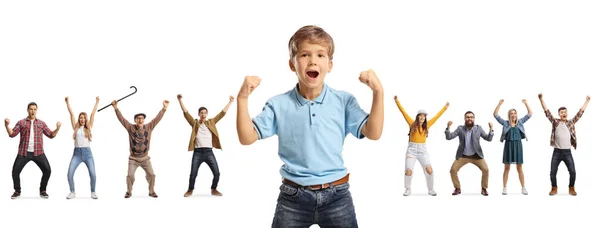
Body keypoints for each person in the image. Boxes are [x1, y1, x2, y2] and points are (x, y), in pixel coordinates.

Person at [236, 25, 384, 228]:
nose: (313, 60)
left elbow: (374, 133)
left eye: (320, 55)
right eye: (305, 54)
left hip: (337, 196)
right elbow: (247, 137)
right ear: (292, 64)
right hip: (293, 198)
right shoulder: (278, 104)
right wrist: (242, 98)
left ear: (330, 64)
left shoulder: (344, 101)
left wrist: (378, 92)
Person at [177, 94, 234, 197]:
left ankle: (213, 189)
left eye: (205, 113)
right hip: (197, 152)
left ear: (207, 114)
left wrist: (230, 102)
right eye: (201, 113)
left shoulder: (211, 122)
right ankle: (190, 189)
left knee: (217, 173)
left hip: (209, 152)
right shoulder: (194, 123)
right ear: (199, 114)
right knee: (193, 173)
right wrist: (180, 100)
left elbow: (222, 114)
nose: (203, 114)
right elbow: (186, 113)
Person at [112, 99, 169, 198]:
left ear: (144, 120)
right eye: (138, 118)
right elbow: (122, 119)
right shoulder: (130, 128)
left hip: (145, 158)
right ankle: (129, 192)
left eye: (142, 118)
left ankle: (151, 191)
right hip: (133, 159)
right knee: (130, 176)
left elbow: (157, 118)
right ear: (135, 120)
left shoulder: (149, 127)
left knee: (151, 175)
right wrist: (116, 108)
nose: (140, 120)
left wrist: (164, 108)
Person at [393, 96, 448, 196]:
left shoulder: (427, 126)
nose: (422, 117)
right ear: (417, 116)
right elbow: (403, 112)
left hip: (423, 150)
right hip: (412, 150)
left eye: (424, 116)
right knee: (408, 171)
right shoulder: (411, 123)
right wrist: (397, 101)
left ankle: (431, 189)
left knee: (429, 170)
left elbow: (437, 117)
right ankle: (408, 189)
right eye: (420, 115)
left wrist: (445, 107)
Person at [5, 102, 61, 199]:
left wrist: (58, 128)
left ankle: (43, 190)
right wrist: (6, 126)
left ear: (37, 110)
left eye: (35, 109)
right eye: (31, 109)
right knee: (15, 171)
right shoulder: (21, 122)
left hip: (38, 153)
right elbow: (12, 134)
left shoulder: (41, 123)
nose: (33, 111)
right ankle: (17, 191)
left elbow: (51, 135)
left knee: (47, 170)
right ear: (27, 110)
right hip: (23, 153)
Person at [538, 93, 590, 196]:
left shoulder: (570, 123)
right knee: (552, 172)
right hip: (556, 152)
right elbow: (547, 112)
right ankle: (554, 188)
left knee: (573, 171)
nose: (564, 113)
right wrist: (541, 99)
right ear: (559, 114)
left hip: (567, 152)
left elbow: (580, 113)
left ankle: (571, 187)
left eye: (565, 112)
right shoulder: (555, 122)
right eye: (562, 112)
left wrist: (587, 101)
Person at [445, 111, 494, 196]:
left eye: (471, 117)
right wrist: (448, 127)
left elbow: (488, 139)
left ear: (474, 119)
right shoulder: (460, 129)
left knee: (485, 169)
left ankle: (484, 189)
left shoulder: (478, 128)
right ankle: (457, 188)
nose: (469, 118)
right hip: (463, 156)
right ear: (464, 119)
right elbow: (449, 137)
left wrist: (491, 129)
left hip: (476, 155)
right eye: (467, 117)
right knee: (453, 170)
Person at [493, 99, 531, 195]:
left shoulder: (520, 122)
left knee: (519, 168)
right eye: (511, 113)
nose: (513, 115)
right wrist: (499, 103)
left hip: (518, 146)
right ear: (509, 115)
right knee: (507, 168)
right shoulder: (505, 123)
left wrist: (526, 103)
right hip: (508, 146)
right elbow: (495, 115)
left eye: (515, 113)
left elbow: (530, 113)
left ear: (516, 115)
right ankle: (504, 188)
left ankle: (523, 187)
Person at [65, 96, 100, 199]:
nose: (82, 119)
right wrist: (67, 103)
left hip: (87, 153)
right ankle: (72, 192)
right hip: (76, 154)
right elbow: (71, 114)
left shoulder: (88, 128)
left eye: (84, 117)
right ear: (79, 119)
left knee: (93, 174)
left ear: (86, 119)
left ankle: (93, 192)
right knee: (69, 174)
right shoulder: (75, 128)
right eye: (81, 117)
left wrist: (97, 102)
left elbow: (93, 114)